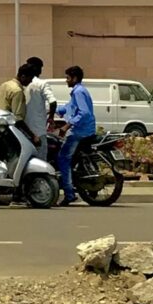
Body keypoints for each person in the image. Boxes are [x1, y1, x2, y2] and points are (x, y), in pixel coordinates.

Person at [56, 66, 98, 205]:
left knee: (63, 158)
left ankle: (69, 194)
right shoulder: (79, 91)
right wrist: (53, 110)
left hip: (80, 132)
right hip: (86, 130)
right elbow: (69, 107)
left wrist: (67, 125)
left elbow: (84, 112)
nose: (66, 80)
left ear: (74, 78)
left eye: (67, 78)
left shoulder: (78, 92)